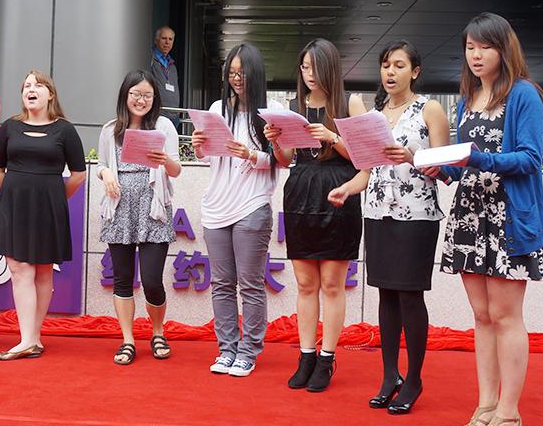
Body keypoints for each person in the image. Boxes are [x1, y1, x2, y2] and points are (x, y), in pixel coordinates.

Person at [327, 40, 450, 414]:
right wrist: (346, 189)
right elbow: (366, 170)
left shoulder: (430, 109)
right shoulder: (375, 114)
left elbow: (445, 169)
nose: (390, 72)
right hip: (378, 213)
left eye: (399, 65)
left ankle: (413, 379)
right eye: (385, 65)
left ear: (415, 71)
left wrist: (414, 158)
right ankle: (389, 374)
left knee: (410, 296)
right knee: (385, 296)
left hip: (417, 216)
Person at [437, 12, 543, 426]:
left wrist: (475, 158)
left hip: (507, 218)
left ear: (504, 48)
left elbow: (530, 159)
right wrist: (437, 168)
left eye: (485, 46)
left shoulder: (524, 94)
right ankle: (485, 404)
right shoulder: (466, 99)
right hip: (469, 215)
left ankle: (509, 410)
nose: (476, 55)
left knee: (505, 316)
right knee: (481, 317)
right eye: (470, 47)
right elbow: (461, 165)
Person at [265, 38, 365, 392]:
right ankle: (306, 356)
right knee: (306, 285)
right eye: (304, 67)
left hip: (338, 196)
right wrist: (277, 141)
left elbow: (363, 157)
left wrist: (332, 137)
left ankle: (327, 358)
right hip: (300, 195)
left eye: (314, 67)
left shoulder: (348, 102)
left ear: (330, 67)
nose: (308, 75)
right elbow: (284, 160)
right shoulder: (294, 107)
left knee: (333, 285)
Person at [192, 43, 281, 377]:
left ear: (255, 73)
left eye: (242, 73)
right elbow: (210, 157)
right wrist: (200, 148)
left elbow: (281, 160)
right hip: (216, 207)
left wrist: (249, 154)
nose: (236, 79)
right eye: (231, 73)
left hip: (252, 206)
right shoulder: (218, 108)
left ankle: (249, 350)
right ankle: (226, 349)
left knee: (251, 283)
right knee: (222, 283)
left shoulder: (271, 111)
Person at [0, 70, 86, 360]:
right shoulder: (9, 127)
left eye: (38, 85)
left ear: (50, 94)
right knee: (19, 268)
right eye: (26, 86)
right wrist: (16, 193)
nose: (31, 90)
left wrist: (54, 197)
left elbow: (79, 174)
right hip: (14, 205)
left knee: (43, 270)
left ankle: (35, 337)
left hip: (49, 205)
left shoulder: (64, 130)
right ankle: (26, 339)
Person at [97, 69, 182, 365]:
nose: (141, 100)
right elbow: (103, 164)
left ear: (154, 98)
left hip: (153, 206)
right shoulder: (111, 129)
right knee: (122, 279)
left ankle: (158, 331)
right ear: (125, 96)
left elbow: (175, 170)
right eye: (135, 94)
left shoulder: (164, 126)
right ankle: (128, 340)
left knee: (151, 279)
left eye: (147, 95)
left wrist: (164, 159)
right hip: (119, 206)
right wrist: (106, 173)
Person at [150, 26, 181, 131]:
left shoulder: (172, 65)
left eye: (170, 39)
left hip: (174, 116)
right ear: (156, 40)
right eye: (164, 38)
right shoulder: (150, 59)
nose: (167, 42)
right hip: (157, 115)